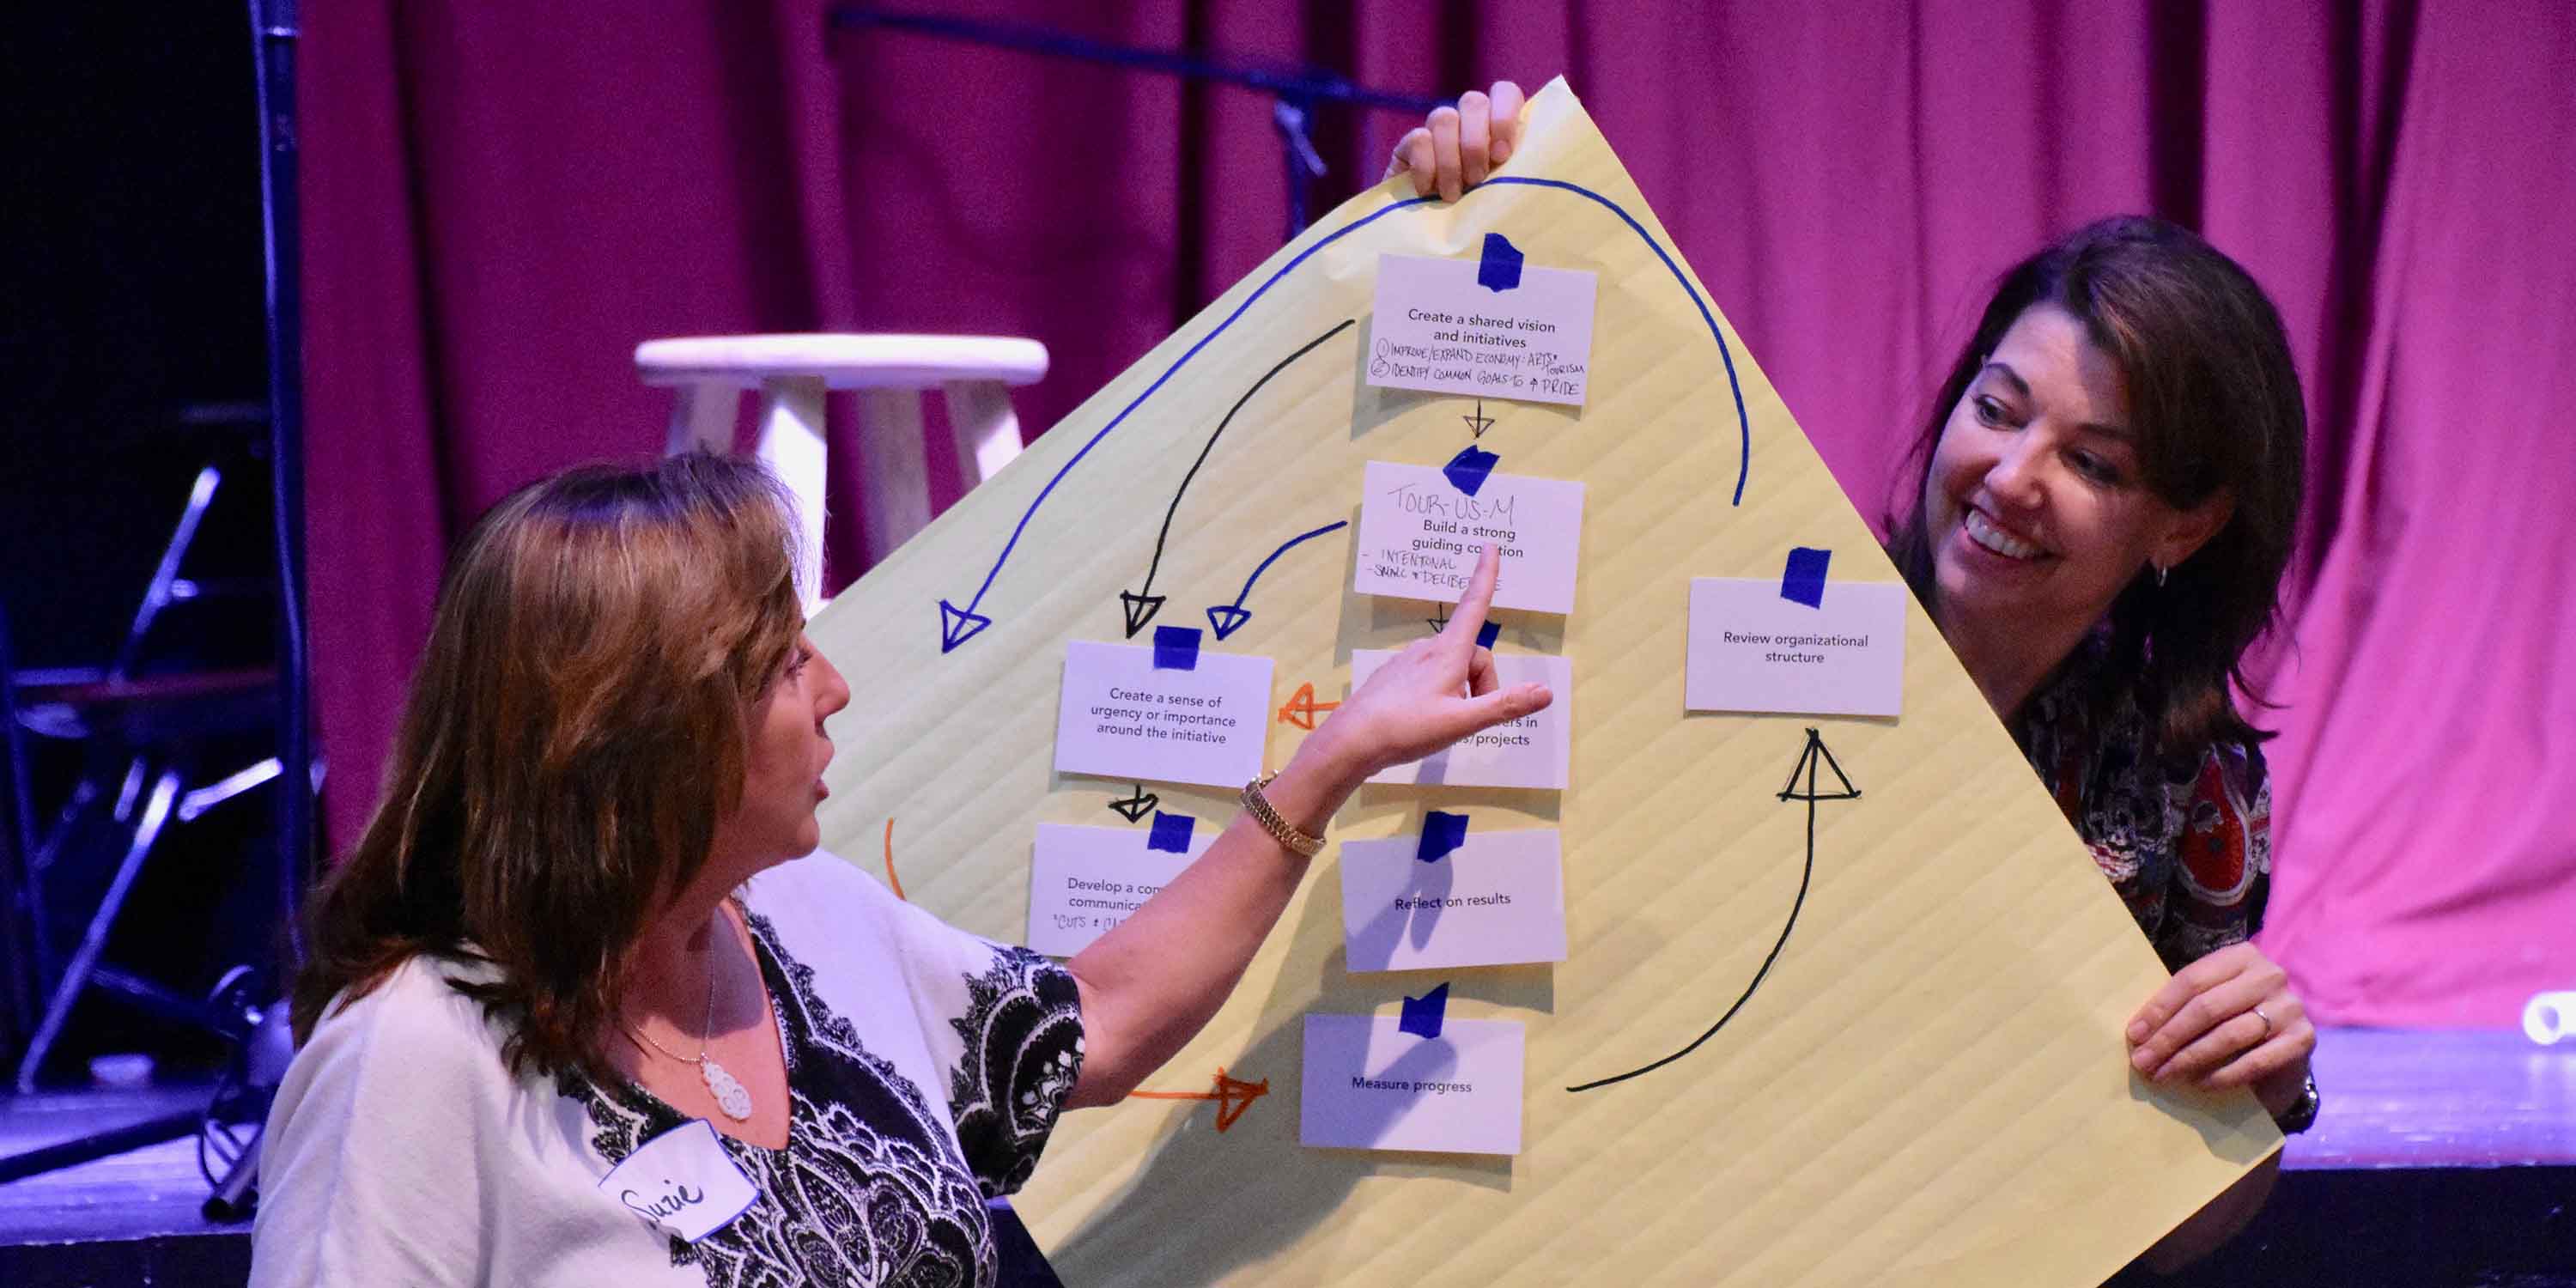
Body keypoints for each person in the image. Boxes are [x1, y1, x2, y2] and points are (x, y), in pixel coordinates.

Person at [1393, 85, 2318, 1267]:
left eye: (2089, 460)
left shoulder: (2195, 788)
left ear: (2183, 525)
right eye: (1998, 408)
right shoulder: (1754, 628)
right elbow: (1482, 505)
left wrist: (2260, 1080)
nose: (2007, 476)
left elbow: (2168, 1200)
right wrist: (1457, 209)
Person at [249, 453, 1551, 1286]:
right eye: (781, 664)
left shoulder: (797, 918)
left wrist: (1330, 766)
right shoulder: (414, 1057)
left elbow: (1088, 1028)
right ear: (644, 731)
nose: (834, 690)